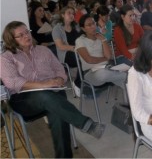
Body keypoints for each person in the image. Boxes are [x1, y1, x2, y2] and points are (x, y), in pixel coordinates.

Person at [0, 21, 105, 158]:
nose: (26, 36)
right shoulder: (6, 58)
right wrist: (44, 85)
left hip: (52, 93)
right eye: (20, 35)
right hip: (24, 99)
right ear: (11, 39)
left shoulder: (43, 50)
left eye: (27, 32)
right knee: (46, 97)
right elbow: (12, 82)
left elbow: (59, 69)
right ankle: (87, 124)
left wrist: (60, 79)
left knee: (56, 110)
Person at [75, 14, 128, 102]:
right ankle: (124, 75)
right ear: (83, 29)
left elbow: (109, 56)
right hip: (91, 73)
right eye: (89, 25)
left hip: (108, 69)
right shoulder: (80, 41)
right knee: (105, 74)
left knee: (127, 83)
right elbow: (89, 60)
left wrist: (103, 40)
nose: (93, 26)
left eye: (94, 23)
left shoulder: (100, 37)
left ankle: (130, 107)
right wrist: (105, 59)